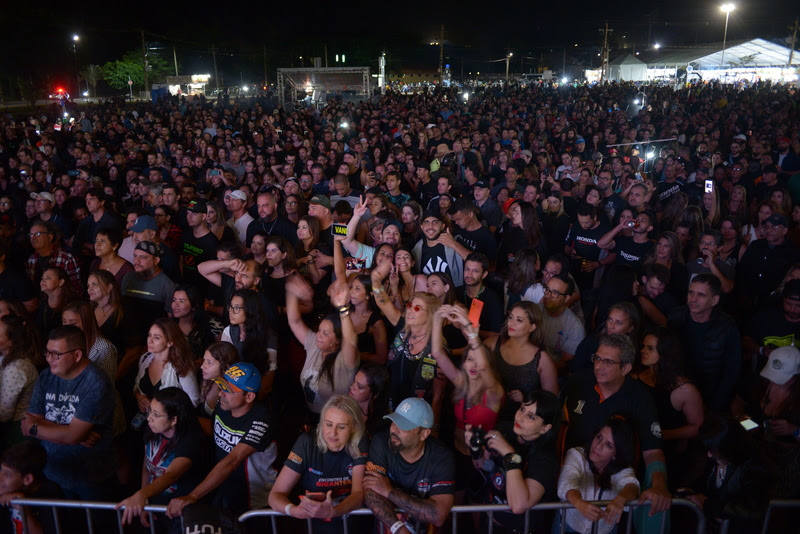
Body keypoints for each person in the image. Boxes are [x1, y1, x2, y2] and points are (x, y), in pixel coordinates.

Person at [561, 334, 672, 517]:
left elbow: (652, 451)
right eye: (597, 358)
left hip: (614, 489)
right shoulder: (578, 382)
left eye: (608, 362)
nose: (599, 366)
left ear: (626, 368)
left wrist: (659, 486)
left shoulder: (640, 398)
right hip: (571, 482)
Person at [165, 362, 278, 520]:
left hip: (255, 502)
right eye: (222, 386)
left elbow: (233, 460)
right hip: (223, 489)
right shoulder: (224, 406)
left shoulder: (262, 421)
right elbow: (212, 429)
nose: (220, 394)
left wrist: (193, 496)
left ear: (249, 396)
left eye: (228, 390)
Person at [22, 326, 116, 501]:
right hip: (51, 471)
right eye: (47, 353)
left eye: (56, 354)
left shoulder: (96, 383)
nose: (49, 359)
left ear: (77, 355)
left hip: (90, 476)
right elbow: (30, 420)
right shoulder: (45, 376)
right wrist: (73, 432)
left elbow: (34, 427)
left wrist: (36, 429)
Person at [269, 395, 369, 534]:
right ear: (321, 423)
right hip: (313, 523)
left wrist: (333, 512)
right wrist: (294, 511)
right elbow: (275, 495)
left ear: (353, 428)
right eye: (328, 424)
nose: (332, 433)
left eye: (341, 427)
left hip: (351, 521)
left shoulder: (359, 441)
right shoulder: (307, 442)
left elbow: (358, 494)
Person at [465, 390, 561, 533]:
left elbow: (518, 505)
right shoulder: (505, 429)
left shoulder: (545, 459)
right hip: (489, 522)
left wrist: (510, 454)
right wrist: (475, 447)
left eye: (531, 416)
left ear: (545, 428)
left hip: (520, 529)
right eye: (522, 409)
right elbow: (481, 465)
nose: (520, 417)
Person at [117, 387, 206, 533]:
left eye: (156, 414)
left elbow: (171, 475)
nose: (149, 418)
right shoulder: (153, 429)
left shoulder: (190, 441)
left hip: (179, 510)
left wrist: (141, 495)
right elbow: (147, 466)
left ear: (174, 420)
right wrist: (145, 500)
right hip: (155, 502)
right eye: (150, 410)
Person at [363, 397, 455, 532]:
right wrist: (398, 529)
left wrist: (389, 492)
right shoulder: (382, 442)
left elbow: (438, 515)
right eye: (394, 421)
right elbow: (370, 491)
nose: (394, 430)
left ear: (424, 434)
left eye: (403, 426)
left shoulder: (441, 457)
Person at [633, 327, 705, 486]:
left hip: (666, 453)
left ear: (665, 352)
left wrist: (663, 435)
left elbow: (697, 427)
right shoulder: (634, 376)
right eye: (643, 346)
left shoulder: (684, 390)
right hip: (633, 448)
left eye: (650, 348)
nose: (643, 351)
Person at [285, 275, 359, 416]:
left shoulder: (345, 360)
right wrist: (291, 291)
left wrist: (343, 309)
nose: (318, 335)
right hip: (310, 415)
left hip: (335, 420)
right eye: (319, 330)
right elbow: (294, 321)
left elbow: (351, 340)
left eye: (325, 333)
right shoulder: (315, 344)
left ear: (337, 340)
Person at [667, 273, 741, 412]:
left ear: (714, 300)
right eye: (691, 293)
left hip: (711, 392)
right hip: (678, 388)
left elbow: (731, 371)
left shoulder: (727, 326)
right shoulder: (676, 316)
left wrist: (717, 405)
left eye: (701, 295)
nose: (693, 299)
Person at [556, 417, 641, 534]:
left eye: (609, 445)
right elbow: (566, 482)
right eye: (599, 437)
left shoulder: (622, 468)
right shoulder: (576, 454)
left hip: (605, 530)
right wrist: (579, 503)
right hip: (568, 525)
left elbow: (632, 485)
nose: (598, 446)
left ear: (615, 454)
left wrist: (621, 499)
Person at [134, 318, 201, 413]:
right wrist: (139, 397)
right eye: (149, 335)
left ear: (170, 342)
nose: (150, 340)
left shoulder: (181, 366)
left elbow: (193, 401)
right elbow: (137, 386)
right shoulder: (145, 358)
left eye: (157, 337)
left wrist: (165, 410)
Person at [220, 290, 278, 399]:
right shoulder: (229, 331)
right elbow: (224, 366)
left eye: (236, 308)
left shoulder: (268, 336)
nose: (231, 311)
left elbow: (269, 376)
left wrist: (249, 399)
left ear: (250, 310)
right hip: (233, 385)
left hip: (255, 391)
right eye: (230, 306)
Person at [0, 441, 61, 534]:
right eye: (0, 470)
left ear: (27, 479)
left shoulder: (48, 495)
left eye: (8, 475)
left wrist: (24, 511)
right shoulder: (4, 491)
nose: (0, 477)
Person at [0, 315, 41, 448]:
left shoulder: (17, 369)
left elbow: (4, 414)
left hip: (16, 432)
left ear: (11, 342)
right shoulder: (5, 357)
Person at [539, 273, 586, 373]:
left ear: (566, 298)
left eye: (555, 293)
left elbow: (564, 363)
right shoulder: (537, 310)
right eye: (547, 289)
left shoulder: (574, 327)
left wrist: (541, 373)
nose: (547, 295)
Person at [199, 341, 238, 417]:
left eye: (209, 362)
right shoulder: (207, 381)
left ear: (226, 367)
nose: (202, 366)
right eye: (204, 361)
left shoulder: (233, 394)